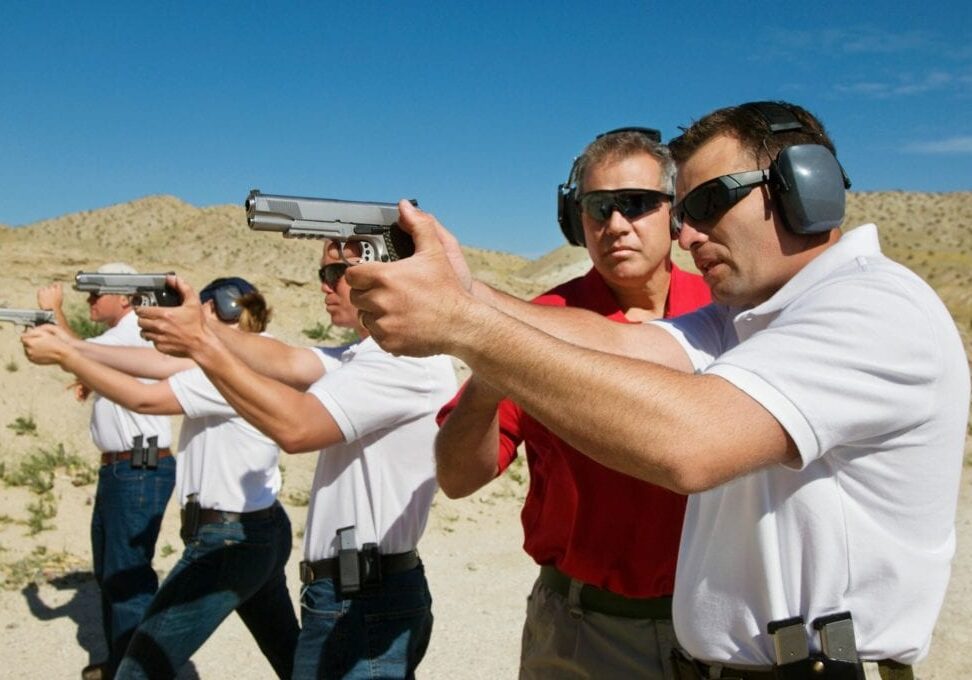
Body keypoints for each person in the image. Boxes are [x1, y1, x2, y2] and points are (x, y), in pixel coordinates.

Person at [345, 101, 970, 677]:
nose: (688, 235)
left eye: (705, 206)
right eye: (686, 211)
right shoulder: (749, 316)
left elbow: (690, 444)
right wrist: (462, 289)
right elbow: (621, 343)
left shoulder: (873, 308)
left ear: (804, 188)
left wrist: (464, 324)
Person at [436, 128, 710, 679]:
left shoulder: (726, 314)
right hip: (583, 632)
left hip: (717, 623)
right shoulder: (538, 319)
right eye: (597, 207)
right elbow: (459, 476)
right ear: (575, 219)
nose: (615, 225)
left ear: (676, 214)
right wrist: (495, 371)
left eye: (636, 204)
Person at [133, 240, 457, 680]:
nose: (323, 286)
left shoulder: (402, 360)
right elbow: (284, 359)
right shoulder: (366, 355)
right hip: (356, 592)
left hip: (363, 597)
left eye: (333, 274)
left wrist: (201, 346)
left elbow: (297, 428)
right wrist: (201, 331)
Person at [24, 277, 299, 679]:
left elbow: (144, 396)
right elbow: (157, 364)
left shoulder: (231, 369)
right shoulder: (257, 356)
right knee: (292, 657)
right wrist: (74, 348)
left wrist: (68, 356)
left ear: (215, 312)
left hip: (228, 540)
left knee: (138, 672)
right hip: (259, 529)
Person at [35, 262, 175, 680]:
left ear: (126, 298)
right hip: (127, 469)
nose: (90, 301)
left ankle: (137, 672)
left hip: (138, 468)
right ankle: (122, 666)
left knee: (127, 578)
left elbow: (73, 351)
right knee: (114, 573)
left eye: (97, 293)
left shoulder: (134, 331)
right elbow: (90, 360)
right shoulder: (123, 337)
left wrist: (52, 311)